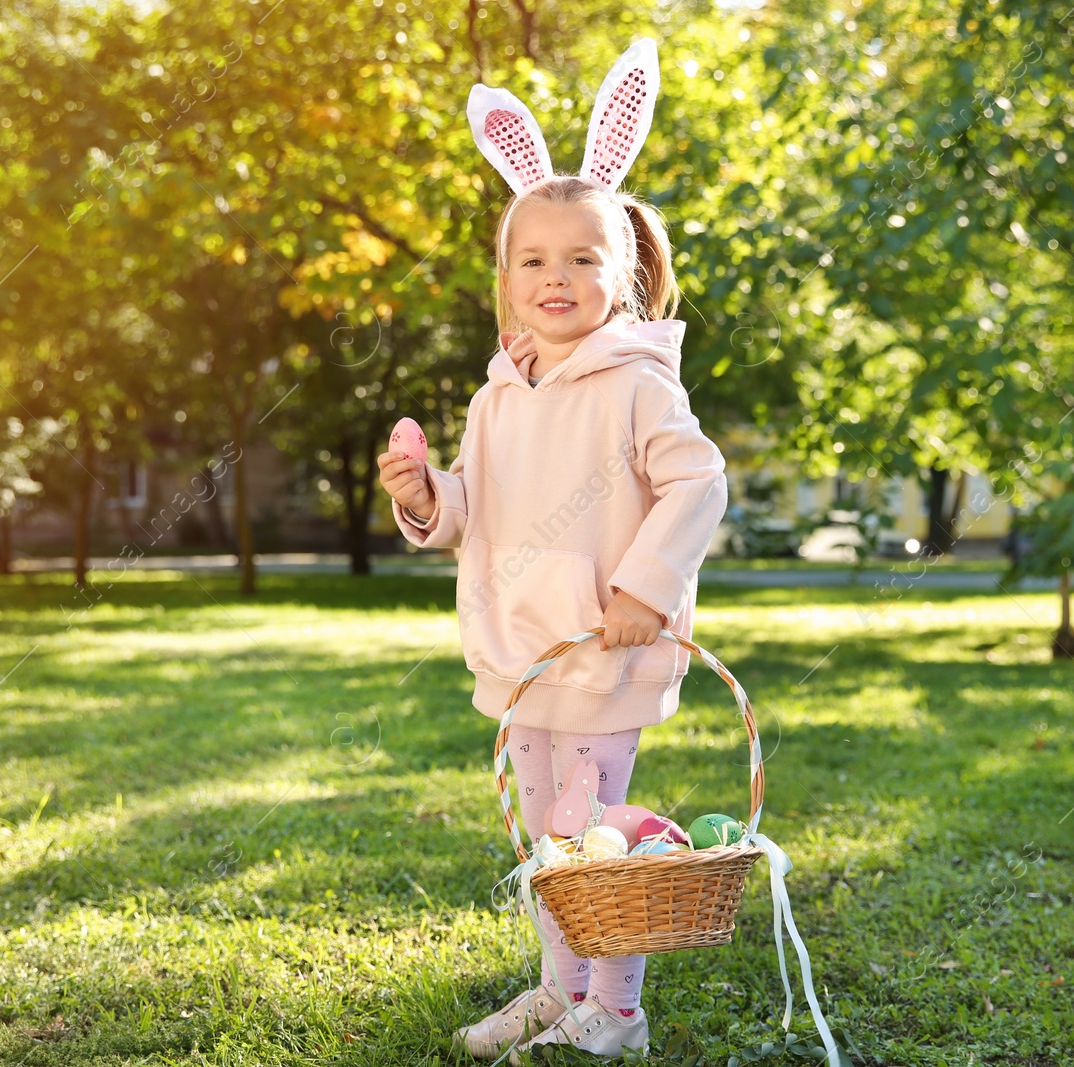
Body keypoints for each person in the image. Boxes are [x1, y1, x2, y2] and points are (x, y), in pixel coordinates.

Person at [375, 39, 728, 1062]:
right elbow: (477, 507)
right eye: (532, 258)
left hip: (603, 647)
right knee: (546, 843)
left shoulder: (636, 381)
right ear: (505, 276)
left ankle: (615, 1012)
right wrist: (426, 496)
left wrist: (642, 588)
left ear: (623, 274)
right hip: (520, 653)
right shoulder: (500, 388)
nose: (554, 275)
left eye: (582, 257)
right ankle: (555, 987)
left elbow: (697, 482)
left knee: (594, 842)